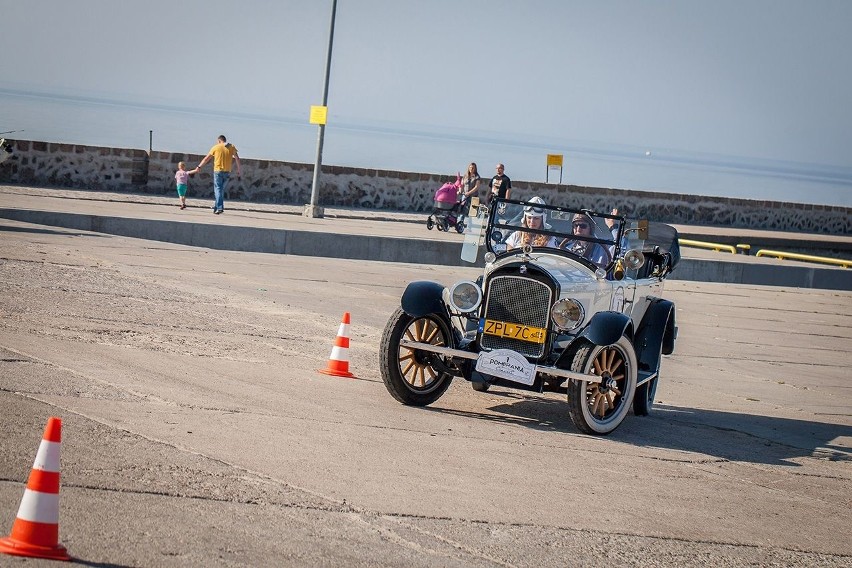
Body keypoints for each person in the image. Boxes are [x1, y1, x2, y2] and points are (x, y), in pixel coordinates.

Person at [196, 134, 241, 214]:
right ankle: (216, 208)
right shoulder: (231, 146)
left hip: (218, 171)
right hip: (227, 171)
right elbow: (237, 158)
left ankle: (219, 207)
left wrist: (199, 167)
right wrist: (238, 169)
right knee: (220, 190)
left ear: (219, 140)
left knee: (218, 189)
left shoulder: (215, 147)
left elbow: (206, 159)